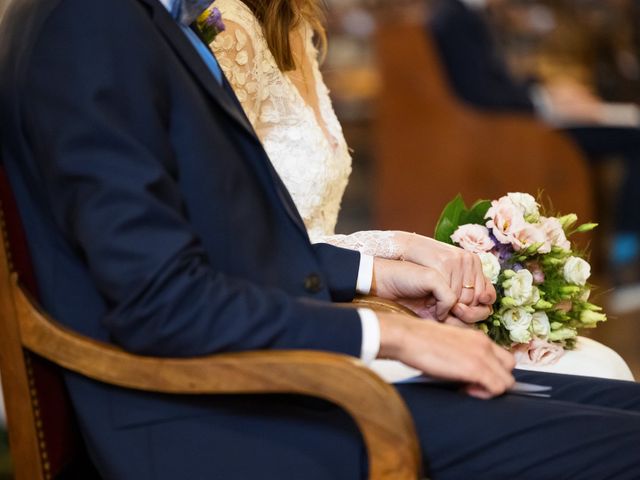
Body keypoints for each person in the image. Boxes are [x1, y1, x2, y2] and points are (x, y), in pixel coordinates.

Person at [1, 0, 640, 479]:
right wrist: (396, 335)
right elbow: (161, 303)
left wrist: (377, 275)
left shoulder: (142, 18)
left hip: (256, 386)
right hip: (204, 421)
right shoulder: (87, 22)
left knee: (624, 409)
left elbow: (222, 248)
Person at [210, 0, 634, 380]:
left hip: (341, 290)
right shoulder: (231, 29)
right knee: (592, 371)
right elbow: (236, 245)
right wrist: (396, 253)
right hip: (298, 320)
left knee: (596, 363)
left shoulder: (298, 26)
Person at [429, 0, 640, 291]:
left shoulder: (463, 14)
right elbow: (481, 95)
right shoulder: (455, 17)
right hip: (511, 132)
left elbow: (497, 83)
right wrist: (546, 101)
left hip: (521, 121)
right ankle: (626, 255)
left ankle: (610, 252)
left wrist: (547, 92)